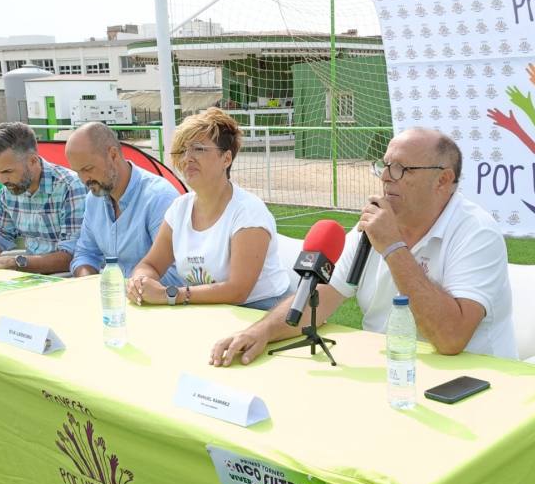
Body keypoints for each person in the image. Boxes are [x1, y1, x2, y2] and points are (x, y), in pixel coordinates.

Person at [210, 127, 515, 365]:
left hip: (469, 382)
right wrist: (260, 331)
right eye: (384, 165)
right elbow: (321, 297)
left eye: (402, 169)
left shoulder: (477, 232)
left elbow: (451, 338)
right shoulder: (374, 226)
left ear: (443, 180)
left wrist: (393, 247)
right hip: (392, 370)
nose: (386, 177)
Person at [129, 108, 290, 310]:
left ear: (226, 159)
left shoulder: (248, 212)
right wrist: (140, 281)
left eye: (198, 149)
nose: (187, 158)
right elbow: (150, 265)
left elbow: (238, 291)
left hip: (260, 311)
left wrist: (169, 295)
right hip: (208, 310)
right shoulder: (179, 208)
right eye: (183, 150)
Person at [65, 122, 181, 282]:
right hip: (111, 293)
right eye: (78, 172)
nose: (84, 179)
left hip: (149, 296)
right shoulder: (93, 199)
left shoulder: (158, 197)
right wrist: (88, 281)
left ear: (113, 155)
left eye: (88, 169)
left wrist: (122, 288)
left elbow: (175, 273)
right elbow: (85, 254)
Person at [0, 121, 86, 274]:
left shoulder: (70, 186)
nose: (1, 179)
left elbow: (72, 256)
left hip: (67, 277)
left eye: (7, 171)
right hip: (30, 273)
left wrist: (11, 262)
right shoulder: (9, 189)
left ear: (33, 161)